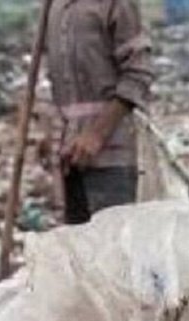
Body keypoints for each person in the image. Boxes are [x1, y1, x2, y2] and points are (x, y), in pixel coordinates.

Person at [45, 0, 154, 224]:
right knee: (79, 247)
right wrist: (49, 131)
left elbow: (138, 75)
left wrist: (96, 134)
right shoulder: (55, 7)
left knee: (112, 245)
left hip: (113, 153)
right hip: (69, 155)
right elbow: (54, 80)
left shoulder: (116, 5)